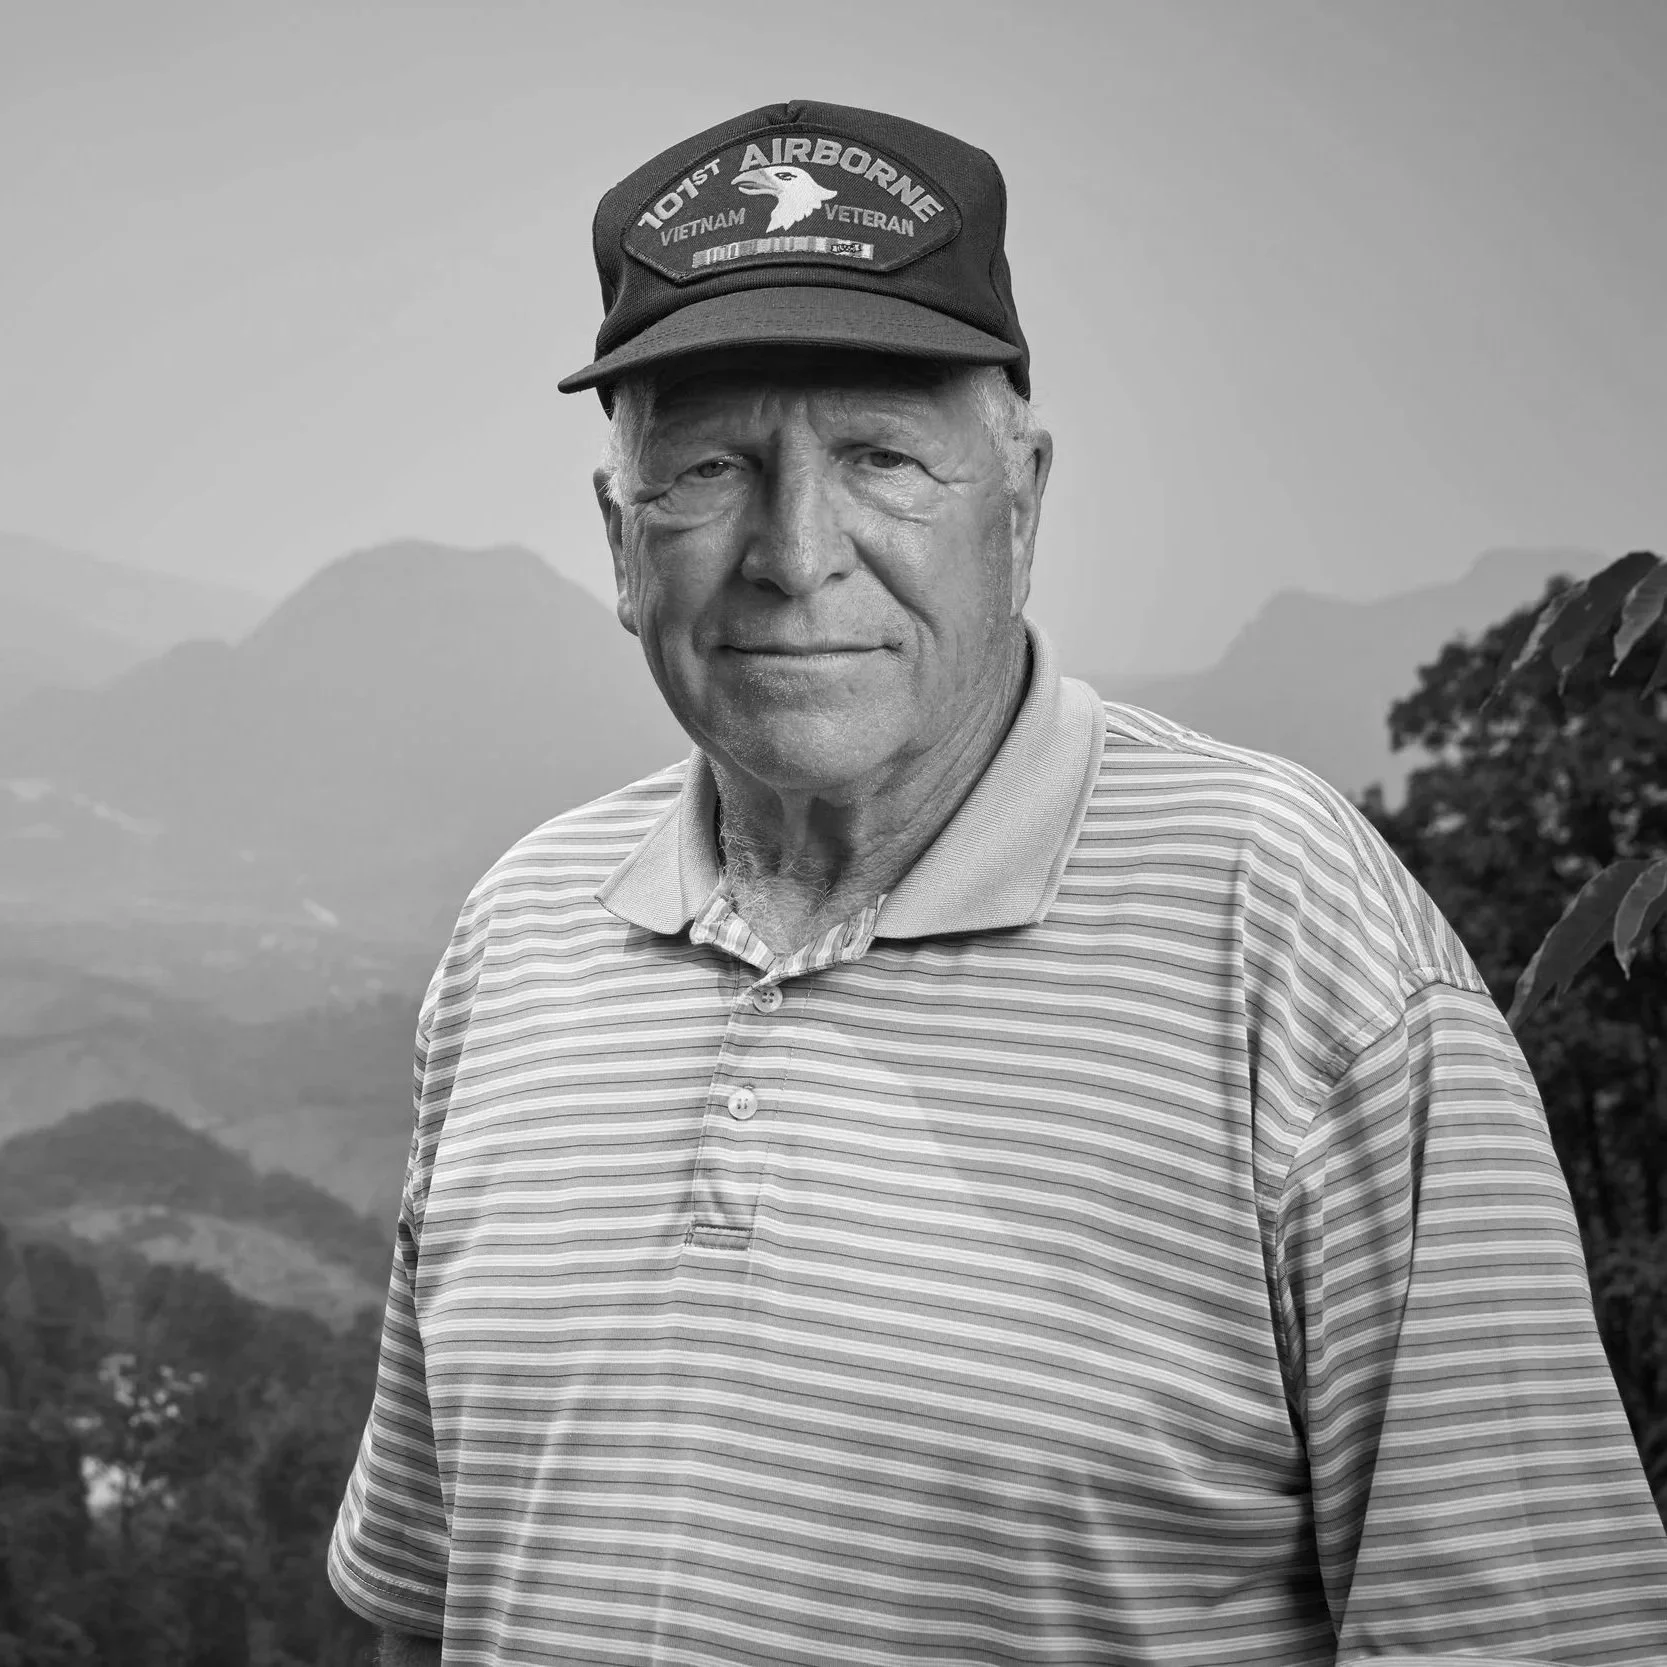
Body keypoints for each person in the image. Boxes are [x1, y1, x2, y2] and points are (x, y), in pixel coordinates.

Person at [330, 100, 1667, 1666]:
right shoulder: (517, 936)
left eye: (883, 458)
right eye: (708, 466)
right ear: (619, 537)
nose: (795, 551)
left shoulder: (1290, 935)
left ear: (1020, 502)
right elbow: (427, 1605)